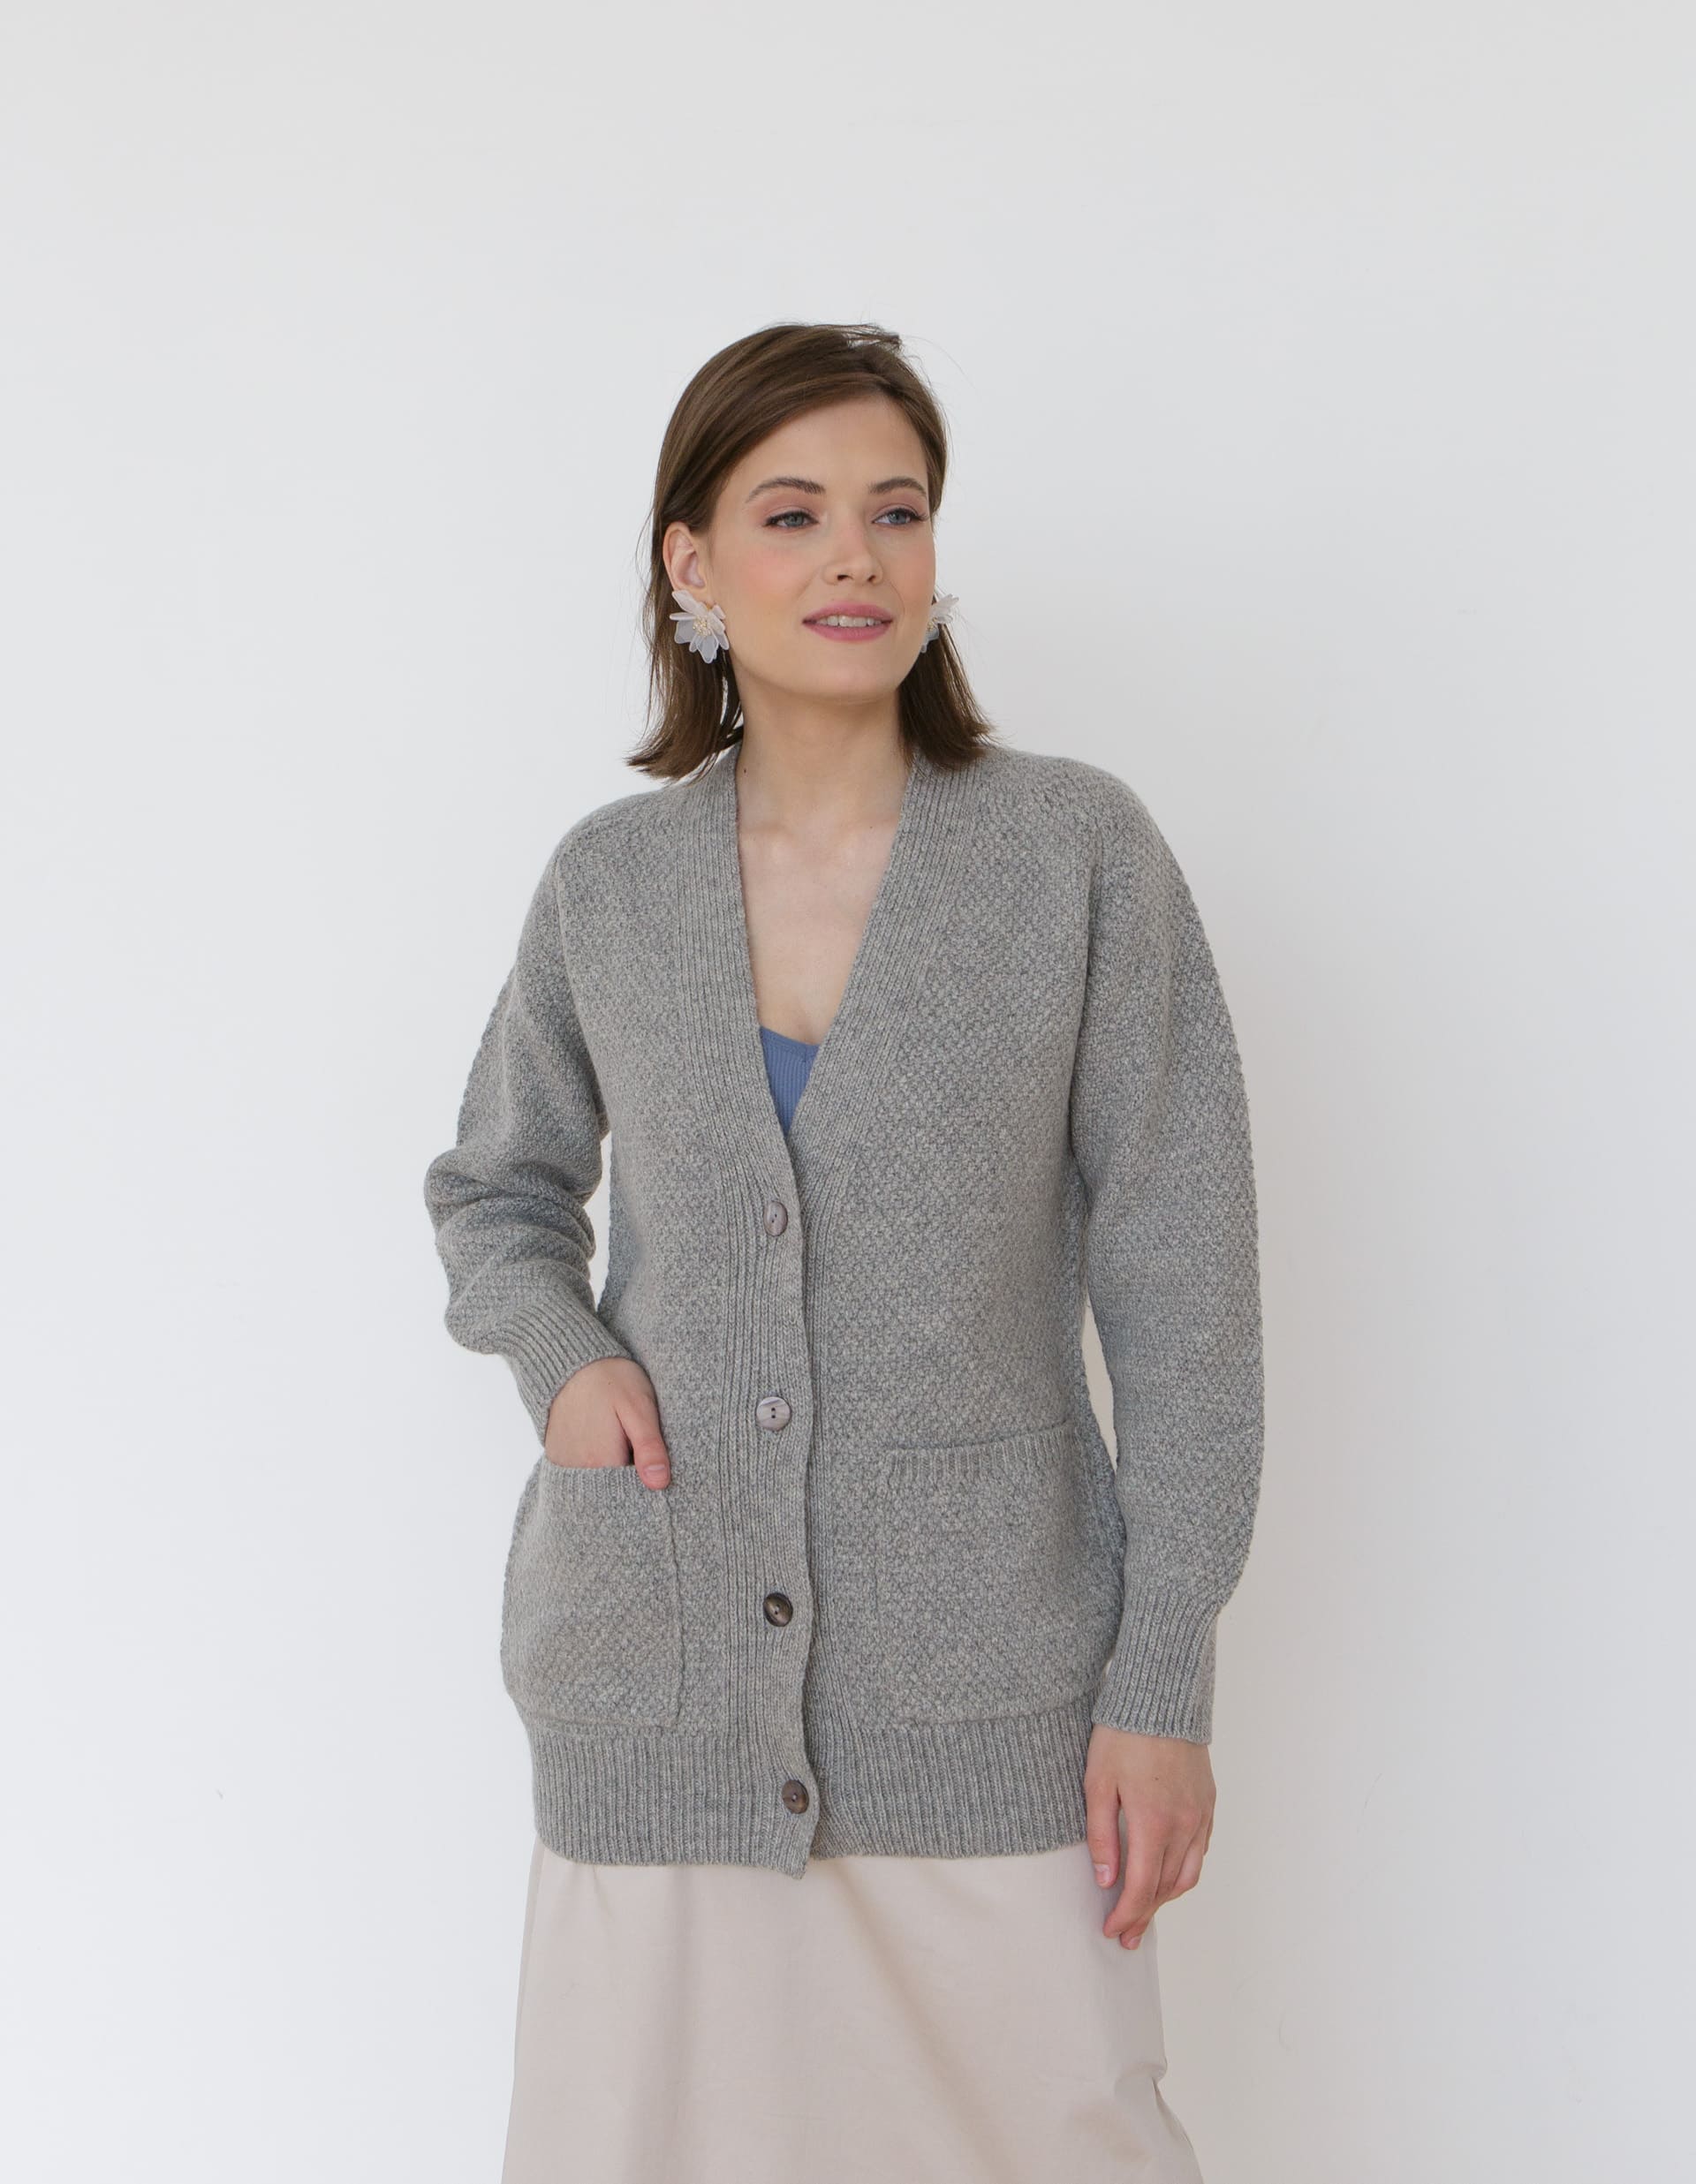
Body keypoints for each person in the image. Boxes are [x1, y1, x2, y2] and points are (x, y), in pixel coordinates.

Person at [421, 321, 1265, 2183]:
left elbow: (1188, 1296)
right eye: (792, 514)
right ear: (694, 564)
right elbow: (496, 1188)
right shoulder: (609, 883)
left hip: (993, 1682)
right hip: (657, 1684)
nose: (856, 557)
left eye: (897, 509)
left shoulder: (1075, 856)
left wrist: (1161, 1683)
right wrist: (569, 1362)